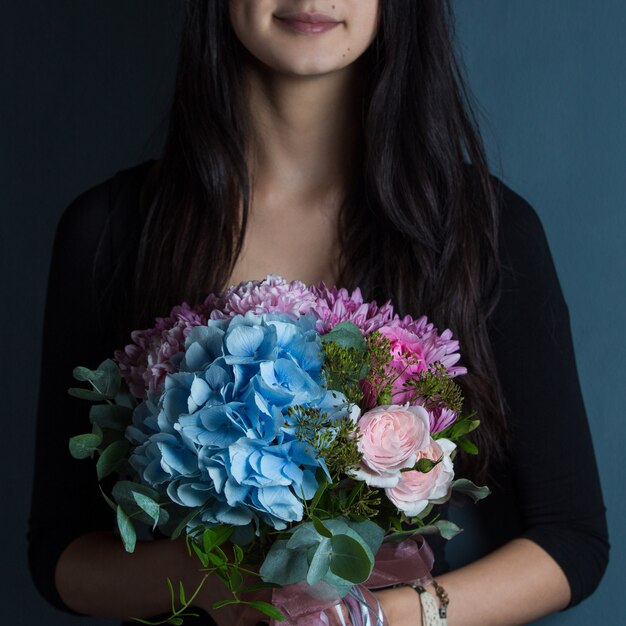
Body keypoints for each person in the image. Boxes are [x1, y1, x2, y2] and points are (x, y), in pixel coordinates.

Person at [29, 1, 609, 625]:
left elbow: (571, 542)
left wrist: (375, 620)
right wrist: (225, 586)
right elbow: (61, 559)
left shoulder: (484, 232)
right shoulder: (112, 231)